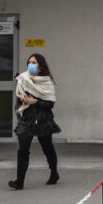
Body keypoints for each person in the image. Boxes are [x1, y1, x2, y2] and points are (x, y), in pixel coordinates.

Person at [8, 53, 61, 190]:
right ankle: (19, 181)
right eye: (29, 62)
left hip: (42, 120)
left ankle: (54, 173)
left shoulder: (47, 82)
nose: (30, 65)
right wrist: (22, 98)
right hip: (26, 119)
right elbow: (19, 99)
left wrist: (35, 101)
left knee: (47, 148)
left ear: (40, 66)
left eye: (34, 62)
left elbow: (50, 104)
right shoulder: (23, 79)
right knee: (23, 150)